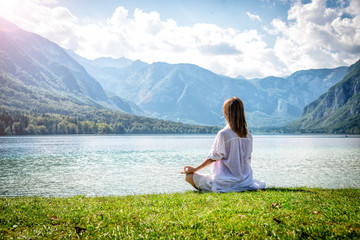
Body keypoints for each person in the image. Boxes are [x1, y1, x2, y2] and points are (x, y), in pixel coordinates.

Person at [181, 97, 265, 192]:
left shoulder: (223, 134)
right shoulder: (248, 135)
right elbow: (248, 159)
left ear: (226, 113)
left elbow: (213, 158)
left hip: (225, 182)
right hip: (245, 181)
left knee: (189, 177)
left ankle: (209, 189)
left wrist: (195, 169)